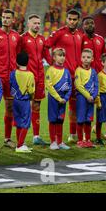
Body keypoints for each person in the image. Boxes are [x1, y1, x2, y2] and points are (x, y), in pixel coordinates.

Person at [46, 9, 83, 143]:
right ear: (66, 19)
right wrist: (52, 63)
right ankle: (54, 140)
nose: (72, 21)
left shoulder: (80, 35)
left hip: (77, 77)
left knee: (75, 106)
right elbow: (46, 45)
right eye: (70, 19)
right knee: (58, 107)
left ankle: (72, 134)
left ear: (78, 21)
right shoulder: (59, 33)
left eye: (75, 19)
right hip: (62, 77)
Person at [0, 9, 21, 148]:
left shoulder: (16, 36)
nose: (5, 20)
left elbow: (18, 55)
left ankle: (7, 139)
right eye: (3, 17)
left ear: (13, 20)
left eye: (8, 17)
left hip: (12, 77)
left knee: (10, 108)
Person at [19, 14, 51, 146]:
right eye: (34, 23)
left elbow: (47, 57)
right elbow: (18, 57)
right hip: (27, 78)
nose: (37, 25)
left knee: (37, 106)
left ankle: (36, 136)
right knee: (25, 107)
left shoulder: (42, 39)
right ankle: (20, 139)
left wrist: (58, 67)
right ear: (28, 24)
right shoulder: (22, 39)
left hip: (40, 77)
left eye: (39, 23)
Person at [46, 48, 72, 150]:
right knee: (53, 120)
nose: (62, 58)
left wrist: (65, 98)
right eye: (59, 55)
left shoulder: (66, 71)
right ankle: (53, 142)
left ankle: (60, 142)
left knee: (60, 120)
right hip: (53, 99)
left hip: (63, 100)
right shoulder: (50, 70)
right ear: (54, 57)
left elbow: (70, 86)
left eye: (63, 55)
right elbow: (49, 85)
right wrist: (58, 98)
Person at [10, 52, 35, 153]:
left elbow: (11, 86)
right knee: (25, 123)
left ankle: (20, 143)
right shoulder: (30, 75)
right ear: (28, 62)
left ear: (16, 62)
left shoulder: (13, 73)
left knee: (19, 122)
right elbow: (31, 91)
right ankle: (20, 146)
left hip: (15, 100)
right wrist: (31, 100)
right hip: (25, 101)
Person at [75, 48, 99, 148]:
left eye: (88, 57)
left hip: (91, 99)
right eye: (84, 57)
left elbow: (97, 85)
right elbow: (78, 85)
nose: (86, 59)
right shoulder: (78, 70)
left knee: (88, 119)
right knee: (81, 119)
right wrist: (88, 96)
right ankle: (80, 140)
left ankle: (88, 140)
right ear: (81, 58)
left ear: (92, 59)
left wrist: (93, 96)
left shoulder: (93, 72)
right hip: (82, 98)